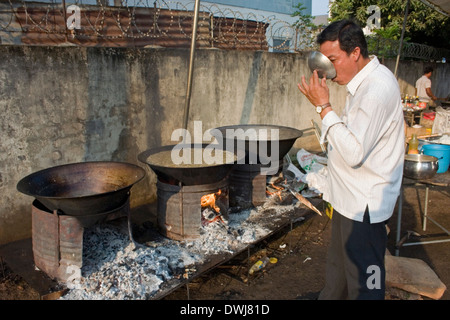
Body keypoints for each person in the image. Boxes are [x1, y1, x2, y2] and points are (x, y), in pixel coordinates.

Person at [297, 19, 405, 300]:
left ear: (355, 53)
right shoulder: (362, 84)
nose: (328, 69)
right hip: (348, 197)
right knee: (339, 266)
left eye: (333, 59)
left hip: (365, 205)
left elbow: (354, 151)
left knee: (365, 279)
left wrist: (324, 107)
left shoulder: (376, 89)